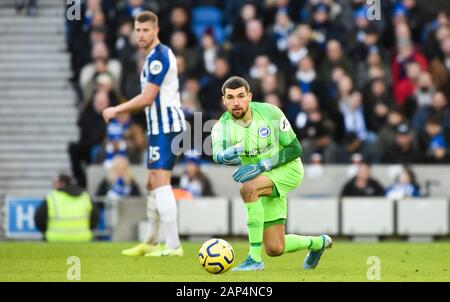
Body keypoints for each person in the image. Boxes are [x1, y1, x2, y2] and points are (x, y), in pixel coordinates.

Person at [211, 76, 332, 272]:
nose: (236, 102)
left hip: (288, 169)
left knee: (247, 189)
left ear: (249, 97)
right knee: (275, 248)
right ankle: (318, 243)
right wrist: (225, 155)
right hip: (262, 179)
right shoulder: (221, 127)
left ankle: (254, 260)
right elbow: (217, 152)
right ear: (224, 100)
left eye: (241, 96)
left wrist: (263, 165)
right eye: (231, 97)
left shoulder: (270, 112)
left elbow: (295, 148)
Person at [102, 11, 186, 257]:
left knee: (161, 183)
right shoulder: (152, 57)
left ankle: (173, 246)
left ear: (156, 30)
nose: (140, 34)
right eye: (137, 30)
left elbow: (148, 98)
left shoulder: (159, 57)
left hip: (168, 128)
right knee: (152, 183)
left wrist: (117, 109)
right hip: (158, 128)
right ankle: (151, 240)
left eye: (145, 30)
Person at [34, 174, 99, 242]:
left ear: (62, 183)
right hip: (83, 238)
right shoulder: (85, 196)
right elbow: (95, 217)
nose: (52, 185)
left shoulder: (52, 197)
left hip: (55, 238)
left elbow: (39, 218)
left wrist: (46, 231)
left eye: (54, 182)